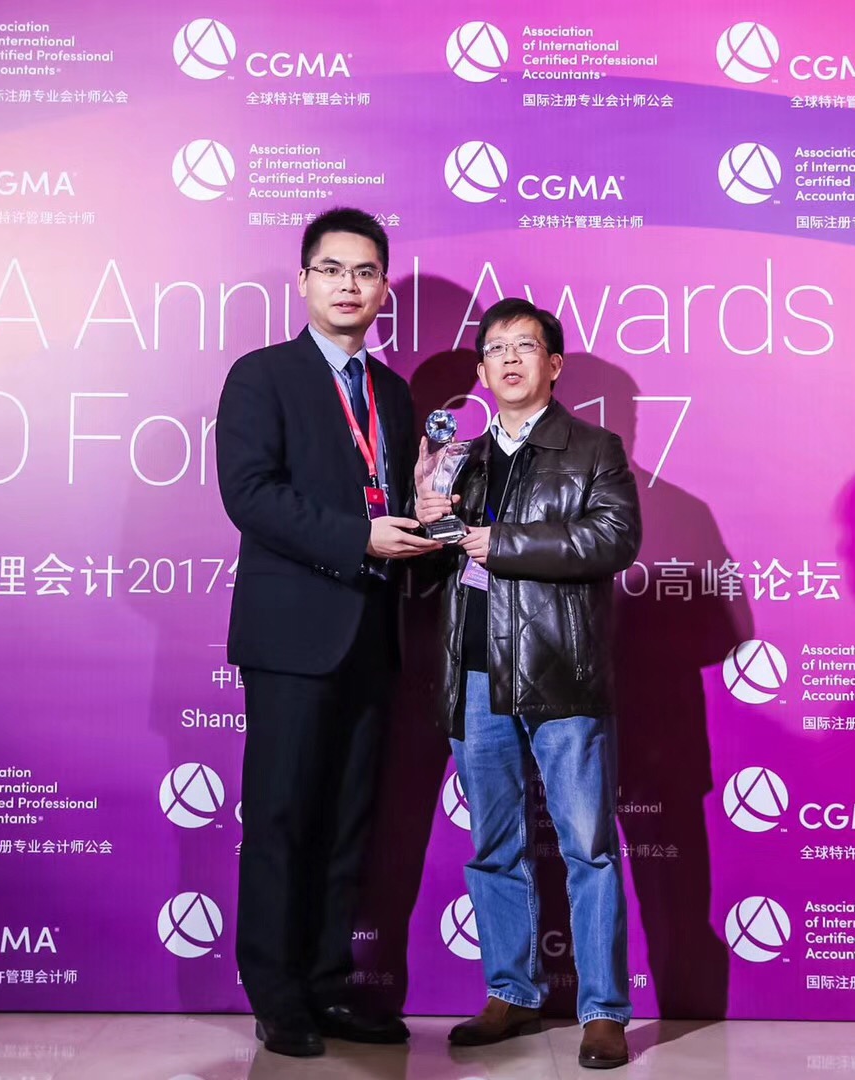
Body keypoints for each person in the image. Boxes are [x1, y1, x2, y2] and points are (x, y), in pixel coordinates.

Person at [216, 207, 439, 1057]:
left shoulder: (393, 393)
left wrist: (430, 516)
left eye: (366, 272)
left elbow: (393, 502)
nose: (350, 285)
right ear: (304, 280)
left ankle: (328, 985)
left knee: (348, 822)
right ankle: (277, 996)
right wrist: (358, 539)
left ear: (383, 289)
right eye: (334, 270)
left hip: (373, 631)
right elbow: (250, 494)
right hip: (292, 636)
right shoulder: (261, 376)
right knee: (281, 818)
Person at [414, 297, 642, 1069]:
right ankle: (510, 994)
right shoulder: (463, 458)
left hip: (561, 676)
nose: (510, 359)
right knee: (493, 847)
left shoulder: (594, 448)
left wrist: (503, 542)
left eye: (526, 346)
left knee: (588, 847)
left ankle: (603, 1010)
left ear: (554, 364)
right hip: (476, 674)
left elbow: (613, 539)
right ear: (481, 373)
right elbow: (436, 567)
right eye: (496, 350)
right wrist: (425, 516)